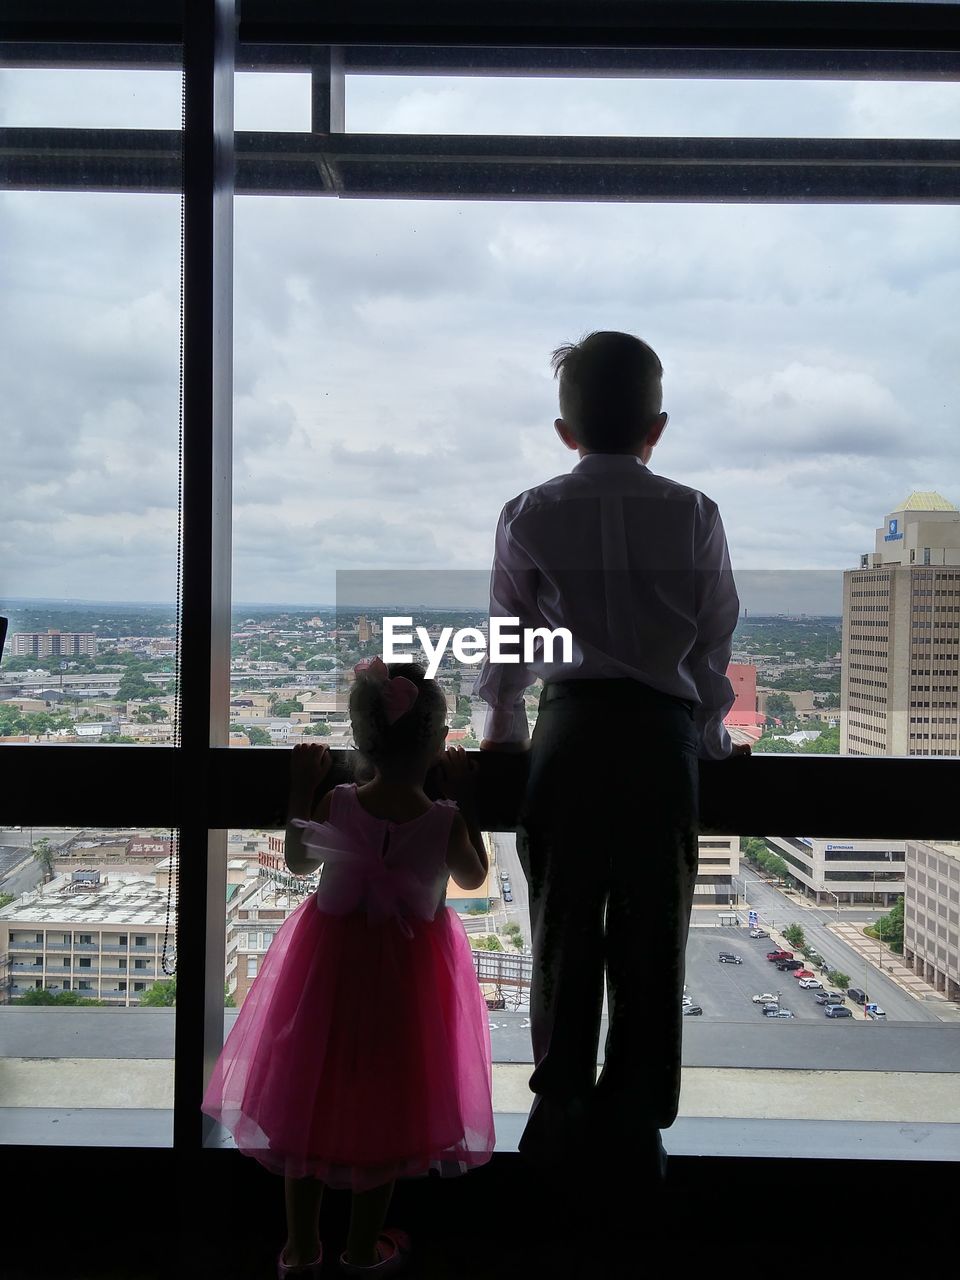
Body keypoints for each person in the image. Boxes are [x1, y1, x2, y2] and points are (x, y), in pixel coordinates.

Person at [474, 330, 749, 1229]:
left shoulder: (528, 511)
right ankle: (636, 1129)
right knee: (652, 940)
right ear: (656, 427)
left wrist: (504, 737)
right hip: (660, 746)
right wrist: (709, 738)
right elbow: (713, 649)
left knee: (560, 934)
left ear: (565, 430)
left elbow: (507, 648)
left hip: (570, 738)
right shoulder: (696, 513)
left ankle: (557, 1117)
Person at [201, 658, 495, 1277]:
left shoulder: (337, 802)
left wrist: (297, 789)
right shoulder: (441, 821)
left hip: (325, 977)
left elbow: (298, 862)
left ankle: (302, 1248)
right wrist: (465, 800)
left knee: (302, 1100)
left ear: (359, 740)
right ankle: (361, 1251)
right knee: (388, 1106)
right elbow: (473, 877)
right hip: (406, 989)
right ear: (441, 743)